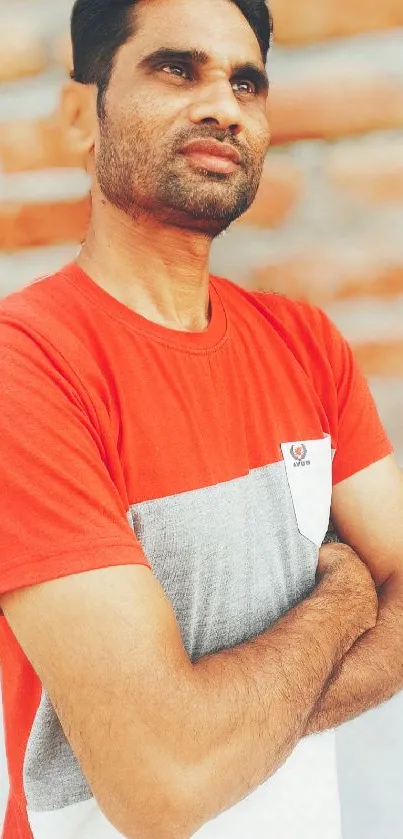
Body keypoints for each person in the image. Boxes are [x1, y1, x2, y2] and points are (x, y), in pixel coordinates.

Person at [0, 0, 402, 837]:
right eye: (176, 68)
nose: (223, 103)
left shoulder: (305, 343)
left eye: (246, 81)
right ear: (84, 112)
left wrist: (224, 727)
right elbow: (165, 785)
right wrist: (341, 596)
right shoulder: (27, 367)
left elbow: (191, 754)